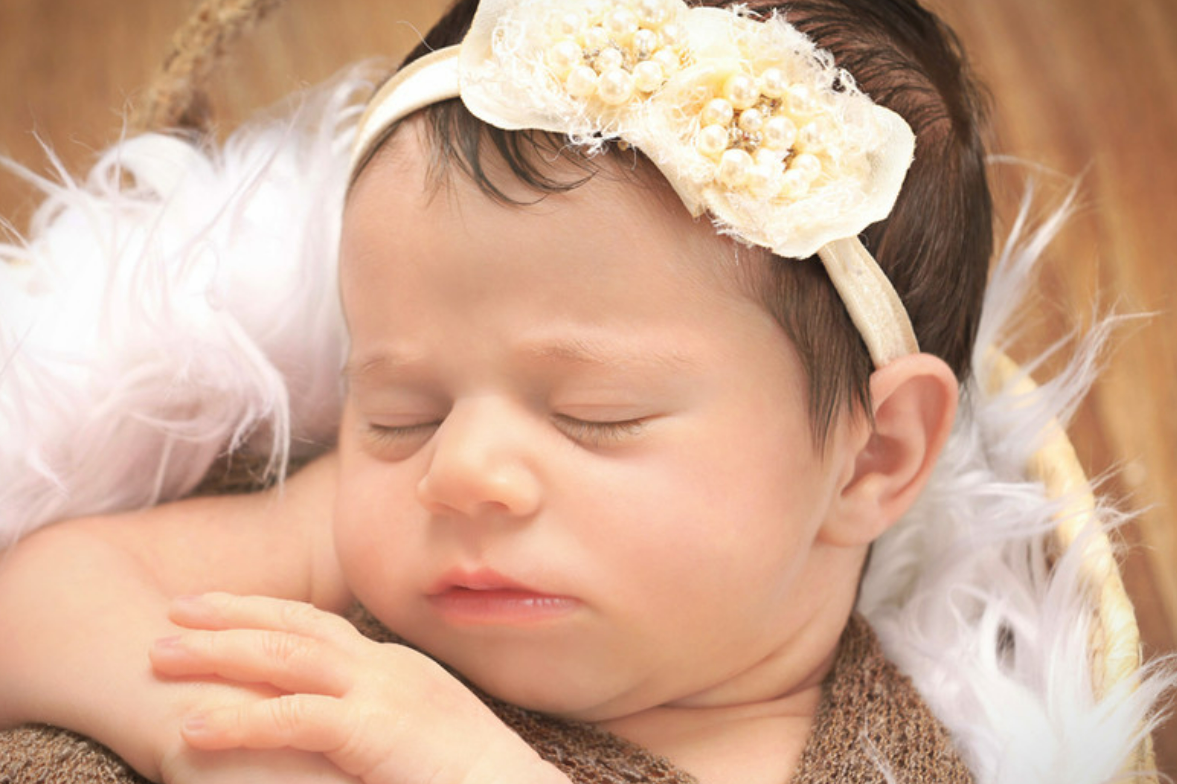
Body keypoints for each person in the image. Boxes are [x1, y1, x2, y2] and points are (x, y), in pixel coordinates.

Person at [0, 0, 992, 781]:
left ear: (872, 455)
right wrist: (205, 734)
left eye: (594, 415)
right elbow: (44, 595)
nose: (459, 469)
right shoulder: (363, 544)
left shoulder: (887, 765)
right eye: (403, 413)